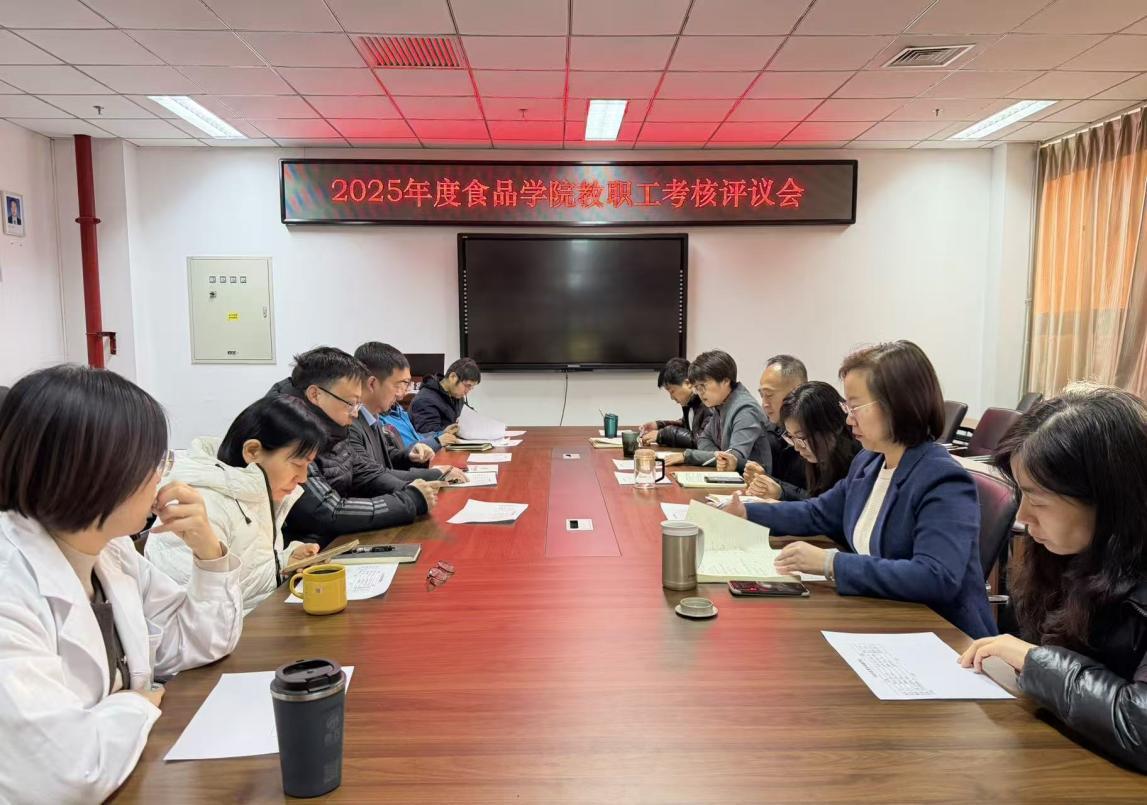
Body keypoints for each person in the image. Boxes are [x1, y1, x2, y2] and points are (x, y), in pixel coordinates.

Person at [0, 365, 243, 802]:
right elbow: (64, 774)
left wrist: (208, 548)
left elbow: (201, 640)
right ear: (95, 471)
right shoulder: (10, 581)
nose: (161, 477)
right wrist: (136, 703)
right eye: (154, 462)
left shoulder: (110, 551)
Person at [724, 340, 995, 638]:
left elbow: (935, 576)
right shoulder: (869, 462)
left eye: (855, 407)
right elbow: (817, 512)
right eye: (847, 407)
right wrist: (746, 513)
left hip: (944, 636)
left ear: (898, 405)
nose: (848, 418)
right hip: (886, 618)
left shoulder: (942, 479)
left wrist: (831, 564)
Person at [959, 385, 1147, 772]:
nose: (1022, 517)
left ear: (1110, 499)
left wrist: (1037, 662)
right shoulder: (1068, 554)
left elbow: (1139, 725)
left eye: (1039, 500)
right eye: (1021, 495)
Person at [146, 396, 327, 615]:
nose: (303, 477)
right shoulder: (197, 506)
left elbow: (245, 576)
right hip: (232, 633)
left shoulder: (253, 491)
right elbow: (190, 617)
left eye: (308, 465)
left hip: (254, 623)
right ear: (252, 451)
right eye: (298, 464)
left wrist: (284, 562)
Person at [267, 347, 436, 547]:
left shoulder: (331, 424)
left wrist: (410, 489)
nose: (355, 414)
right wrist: (408, 501)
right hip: (306, 550)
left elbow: (364, 470)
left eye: (358, 404)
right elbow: (326, 511)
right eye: (351, 404)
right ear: (315, 394)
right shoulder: (286, 430)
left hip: (335, 540)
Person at [350, 342, 467, 486]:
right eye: (399, 385)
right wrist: (435, 474)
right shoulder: (350, 424)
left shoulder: (373, 417)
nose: (401, 395)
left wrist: (409, 455)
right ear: (372, 384)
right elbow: (372, 475)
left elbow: (386, 456)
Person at [745, 381, 862, 501]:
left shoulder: (860, 464)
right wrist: (767, 481)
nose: (797, 447)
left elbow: (827, 507)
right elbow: (811, 498)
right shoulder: (809, 453)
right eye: (790, 437)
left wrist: (781, 494)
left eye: (801, 437)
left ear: (833, 426)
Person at [663, 350, 770, 471]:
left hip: (755, 479)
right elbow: (703, 439)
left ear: (725, 381)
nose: (700, 393)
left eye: (703, 386)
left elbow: (733, 458)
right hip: (730, 475)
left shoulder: (745, 410)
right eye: (697, 388)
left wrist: (688, 456)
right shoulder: (721, 404)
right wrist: (718, 456)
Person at [738, 354, 811, 499]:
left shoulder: (818, 432)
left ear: (796, 391)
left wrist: (778, 489)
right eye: (762, 395)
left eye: (769, 395)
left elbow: (823, 501)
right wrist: (761, 478)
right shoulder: (772, 429)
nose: (764, 404)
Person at [639, 356, 712, 448]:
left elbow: (700, 440)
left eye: (672, 391)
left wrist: (662, 435)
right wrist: (658, 425)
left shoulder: (707, 404)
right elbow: (686, 426)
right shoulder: (690, 402)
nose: (671, 398)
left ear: (688, 383)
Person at [411, 357, 480, 433]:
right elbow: (429, 435)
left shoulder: (457, 396)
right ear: (453, 377)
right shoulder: (425, 400)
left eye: (471, 388)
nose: (467, 392)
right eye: (467, 386)